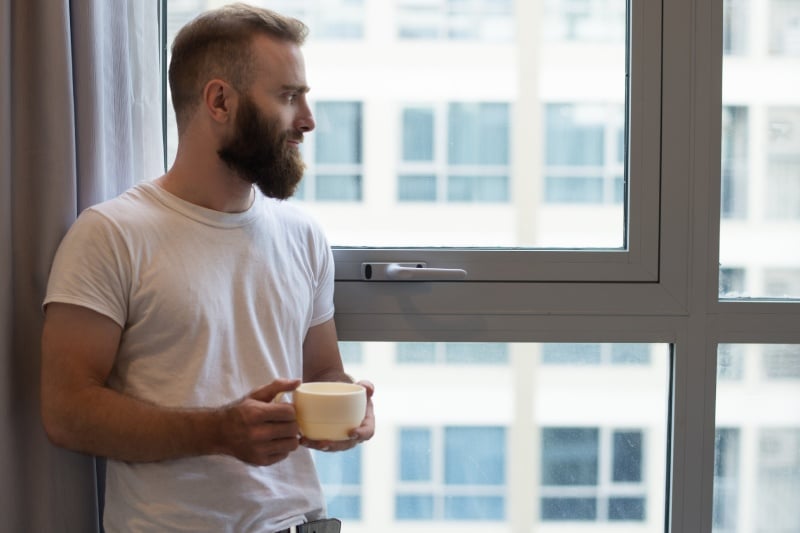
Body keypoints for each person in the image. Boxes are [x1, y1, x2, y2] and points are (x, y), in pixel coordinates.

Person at [39, 4, 374, 532]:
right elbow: (65, 411)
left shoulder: (303, 236)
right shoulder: (111, 234)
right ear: (219, 100)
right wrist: (217, 431)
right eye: (289, 97)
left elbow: (324, 371)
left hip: (301, 523)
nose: (308, 120)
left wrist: (348, 411)